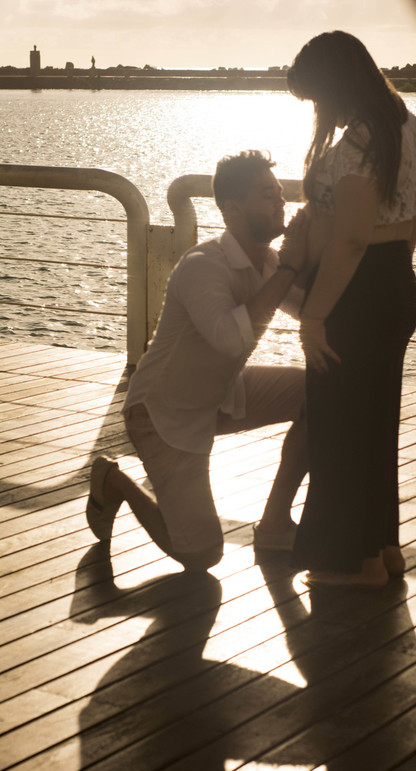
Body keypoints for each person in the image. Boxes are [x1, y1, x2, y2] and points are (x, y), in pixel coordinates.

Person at [86, 150, 309, 571]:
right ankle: (112, 480)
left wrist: (316, 249)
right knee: (201, 553)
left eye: (280, 194)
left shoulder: (270, 262)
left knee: (320, 392)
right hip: (162, 414)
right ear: (232, 208)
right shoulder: (203, 266)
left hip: (221, 395)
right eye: (268, 195)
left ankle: (276, 523)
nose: (281, 203)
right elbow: (229, 340)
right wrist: (287, 270)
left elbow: (311, 309)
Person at [288, 31, 416, 587]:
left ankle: (351, 562)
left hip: (357, 286)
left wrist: (315, 316)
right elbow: (413, 219)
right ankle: (381, 547)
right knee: (375, 421)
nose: (318, 108)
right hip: (396, 279)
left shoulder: (360, 141)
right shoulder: (410, 128)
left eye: (316, 95)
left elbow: (348, 240)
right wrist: (393, 275)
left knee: (340, 424)